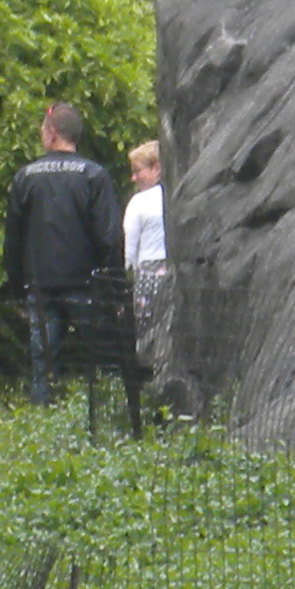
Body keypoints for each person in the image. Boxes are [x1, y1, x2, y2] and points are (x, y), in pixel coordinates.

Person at [1, 101, 120, 406]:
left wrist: (17, 289)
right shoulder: (94, 175)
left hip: (39, 286)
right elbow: (109, 237)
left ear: (52, 133)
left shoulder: (25, 177)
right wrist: (114, 288)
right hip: (87, 284)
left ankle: (43, 420)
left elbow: (12, 240)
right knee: (105, 359)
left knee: (42, 366)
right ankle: (112, 414)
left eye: (42, 129)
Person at [122, 137, 175, 401]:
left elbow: (128, 251)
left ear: (156, 168)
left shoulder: (139, 203)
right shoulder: (174, 196)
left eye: (137, 170)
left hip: (147, 276)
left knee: (146, 332)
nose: (134, 178)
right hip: (172, 272)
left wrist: (123, 279)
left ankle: (148, 391)